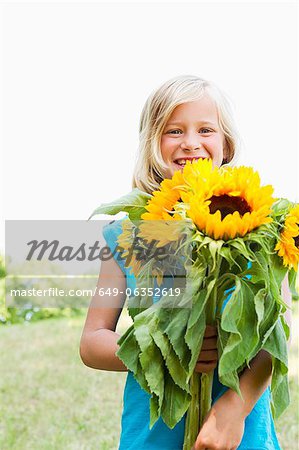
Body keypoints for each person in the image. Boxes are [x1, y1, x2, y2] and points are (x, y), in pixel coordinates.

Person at [80, 75, 292, 450]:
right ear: (152, 143)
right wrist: (160, 351)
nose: (191, 143)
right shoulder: (133, 232)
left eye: (205, 129)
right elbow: (92, 342)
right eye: (173, 131)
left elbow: (275, 339)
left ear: (226, 144)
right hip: (155, 431)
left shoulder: (259, 229)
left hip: (236, 429)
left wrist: (232, 412)